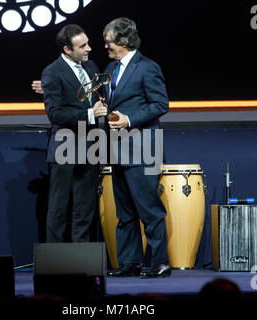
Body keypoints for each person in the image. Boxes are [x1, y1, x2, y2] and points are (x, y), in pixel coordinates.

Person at [102, 17, 171, 278]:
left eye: (108, 40)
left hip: (143, 149)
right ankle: (130, 262)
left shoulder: (147, 67)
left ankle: (159, 263)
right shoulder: (111, 68)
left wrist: (129, 120)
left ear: (125, 41)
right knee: (125, 213)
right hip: (118, 150)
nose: (105, 45)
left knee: (149, 209)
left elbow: (160, 104)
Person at [41, 24, 107, 242]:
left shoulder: (91, 67)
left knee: (85, 206)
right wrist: (90, 114)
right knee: (58, 206)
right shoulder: (52, 72)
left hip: (91, 145)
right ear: (67, 49)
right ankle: (55, 259)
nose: (89, 48)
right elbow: (55, 114)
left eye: (87, 43)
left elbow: (98, 97)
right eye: (82, 46)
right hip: (66, 145)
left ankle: (81, 256)